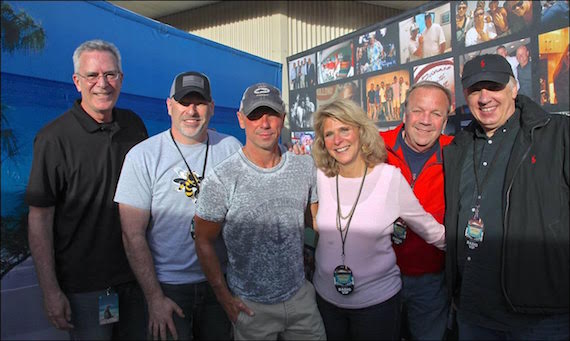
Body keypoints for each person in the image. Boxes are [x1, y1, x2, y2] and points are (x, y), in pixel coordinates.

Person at [25, 39, 148, 340]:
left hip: (136, 280)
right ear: (77, 82)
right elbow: (39, 219)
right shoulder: (54, 139)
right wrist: (50, 290)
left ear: (121, 79)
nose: (102, 84)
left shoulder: (134, 126)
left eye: (111, 75)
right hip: (85, 289)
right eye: (92, 76)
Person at [443, 54, 569, 339]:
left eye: (494, 87)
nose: (485, 97)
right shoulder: (457, 147)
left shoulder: (557, 134)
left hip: (542, 315)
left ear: (514, 89)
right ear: (466, 95)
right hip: (474, 312)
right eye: (476, 90)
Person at [114, 71, 241, 340]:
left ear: (212, 108)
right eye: (184, 102)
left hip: (219, 284)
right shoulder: (143, 156)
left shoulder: (230, 148)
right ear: (170, 106)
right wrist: (154, 298)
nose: (192, 111)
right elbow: (132, 235)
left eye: (200, 102)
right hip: (168, 287)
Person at [193, 83, 326, 340]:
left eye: (271, 114)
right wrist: (224, 298)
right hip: (251, 309)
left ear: (283, 119)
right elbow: (203, 239)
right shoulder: (222, 177)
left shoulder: (304, 166)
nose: (264, 123)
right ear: (241, 120)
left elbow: (317, 224)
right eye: (254, 115)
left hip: (301, 300)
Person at [310, 98, 446, 340]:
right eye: (329, 134)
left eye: (344, 129)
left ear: (361, 131)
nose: (337, 140)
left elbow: (431, 230)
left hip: (377, 306)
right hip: (327, 301)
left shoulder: (389, 178)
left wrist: (485, 254)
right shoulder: (320, 175)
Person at [380, 81, 453, 340]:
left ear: (446, 120)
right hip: (378, 277)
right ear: (404, 113)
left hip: (430, 283)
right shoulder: (375, 147)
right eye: (418, 111)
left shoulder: (458, 153)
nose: (425, 120)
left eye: (436, 113)